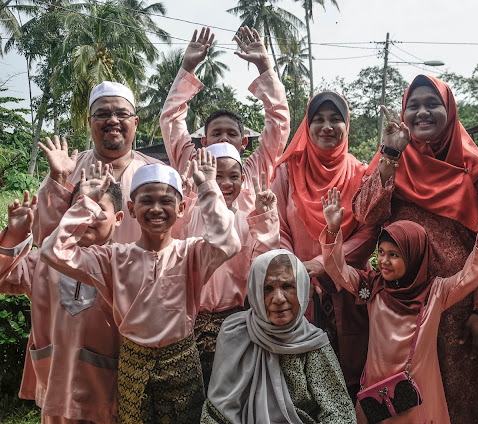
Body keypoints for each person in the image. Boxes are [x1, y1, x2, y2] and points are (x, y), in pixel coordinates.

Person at [40, 155, 241, 424]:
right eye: (147, 201)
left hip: (181, 361)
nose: (156, 208)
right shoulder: (112, 258)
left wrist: (207, 189)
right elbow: (53, 252)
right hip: (133, 363)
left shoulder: (191, 253)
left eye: (166, 201)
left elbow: (228, 242)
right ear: (132, 209)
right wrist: (85, 203)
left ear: (181, 208)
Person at [352, 75, 478, 423]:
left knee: (460, 391)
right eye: (413, 105)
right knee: (407, 394)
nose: (422, 112)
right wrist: (389, 152)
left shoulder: (476, 168)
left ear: (450, 110)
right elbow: (365, 213)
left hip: (458, 302)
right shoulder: (392, 160)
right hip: (403, 304)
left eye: (432, 104)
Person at [320, 188, 478, 423]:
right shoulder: (373, 287)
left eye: (394, 255)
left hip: (418, 394)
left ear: (414, 256)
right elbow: (336, 268)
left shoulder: (436, 293)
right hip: (378, 391)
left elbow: (469, 276)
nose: (384, 261)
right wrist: (333, 229)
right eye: (381, 252)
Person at [270, 91, 379, 400]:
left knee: (348, 379)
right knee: (299, 384)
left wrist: (323, 264)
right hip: (295, 288)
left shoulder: (360, 175)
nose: (327, 127)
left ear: (347, 126)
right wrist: (295, 269)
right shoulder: (287, 171)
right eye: (318, 119)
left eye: (336, 119)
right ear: (307, 125)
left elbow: (369, 231)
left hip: (348, 289)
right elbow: (277, 225)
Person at [0, 180, 122, 424]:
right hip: (55, 388)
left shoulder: (124, 262)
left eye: (98, 209)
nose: (88, 216)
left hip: (107, 392)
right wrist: (15, 235)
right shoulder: (42, 263)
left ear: (118, 218)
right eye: (81, 207)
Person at [201, 249, 356, 424]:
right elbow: (216, 411)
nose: (279, 298)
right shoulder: (235, 332)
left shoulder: (313, 343)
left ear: (302, 289)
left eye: (287, 286)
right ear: (255, 292)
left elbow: (339, 413)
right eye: (267, 288)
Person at [179, 142, 279, 388]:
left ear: (243, 179)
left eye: (233, 176)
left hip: (234, 324)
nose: (225, 183)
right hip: (190, 323)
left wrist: (265, 220)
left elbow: (263, 268)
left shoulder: (247, 219)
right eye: (217, 176)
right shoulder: (190, 213)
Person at [161, 26, 289, 213]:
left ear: (243, 142)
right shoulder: (190, 166)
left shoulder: (253, 172)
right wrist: (188, 66)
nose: (224, 138)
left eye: (231, 133)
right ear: (203, 142)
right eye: (216, 133)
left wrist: (264, 66)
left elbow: (279, 124)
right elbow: (171, 119)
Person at [34, 80, 162, 246]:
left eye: (122, 114)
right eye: (102, 114)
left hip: (140, 270)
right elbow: (41, 237)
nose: (113, 120)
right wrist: (58, 179)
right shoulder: (67, 169)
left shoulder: (156, 172)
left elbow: (176, 236)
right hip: (76, 270)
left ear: (135, 122)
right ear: (89, 122)